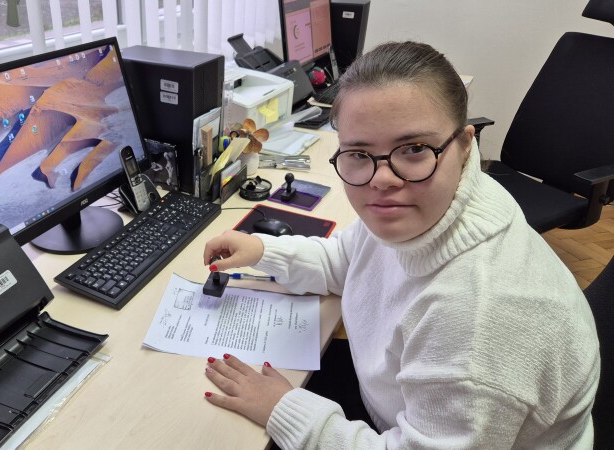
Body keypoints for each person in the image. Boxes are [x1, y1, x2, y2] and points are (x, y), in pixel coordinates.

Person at [201, 41, 600, 448]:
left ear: (464, 145)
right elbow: (348, 259)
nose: (382, 180)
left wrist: (282, 408)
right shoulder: (435, 206)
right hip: (402, 408)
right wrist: (265, 252)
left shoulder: (477, 315)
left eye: (413, 149)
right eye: (358, 152)